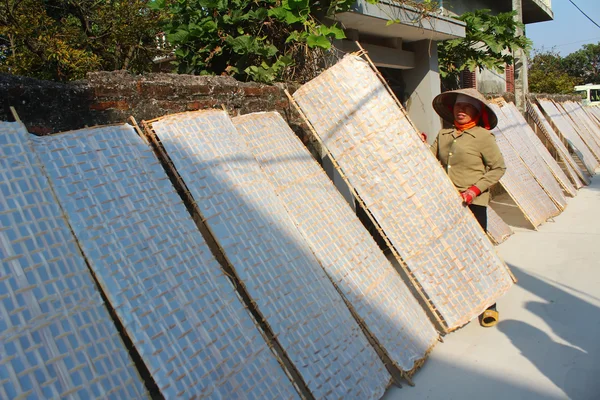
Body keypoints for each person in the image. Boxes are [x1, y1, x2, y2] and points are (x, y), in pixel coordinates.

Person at [429, 88, 506, 327]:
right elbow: (430, 161)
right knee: (451, 254)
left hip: (473, 204)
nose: (460, 111)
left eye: (466, 107)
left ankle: (489, 304)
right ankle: (460, 302)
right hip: (446, 203)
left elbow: (498, 168)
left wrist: (474, 190)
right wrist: (420, 144)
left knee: (477, 253)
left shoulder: (483, 137)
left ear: (476, 111)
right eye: (457, 107)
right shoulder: (444, 135)